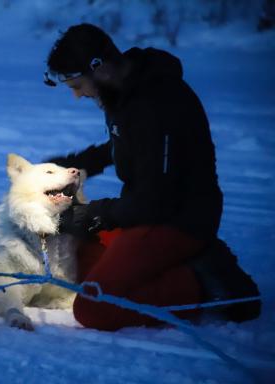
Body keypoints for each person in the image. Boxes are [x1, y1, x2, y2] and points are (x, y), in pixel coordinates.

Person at [44, 23, 261, 331]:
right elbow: (126, 144)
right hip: (149, 212)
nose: (78, 95)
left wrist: (94, 214)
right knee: (81, 254)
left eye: (77, 85)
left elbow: (153, 200)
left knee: (92, 309)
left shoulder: (157, 104)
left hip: (177, 220)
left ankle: (200, 281)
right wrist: (72, 166)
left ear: (99, 67)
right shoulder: (126, 91)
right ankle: (171, 265)